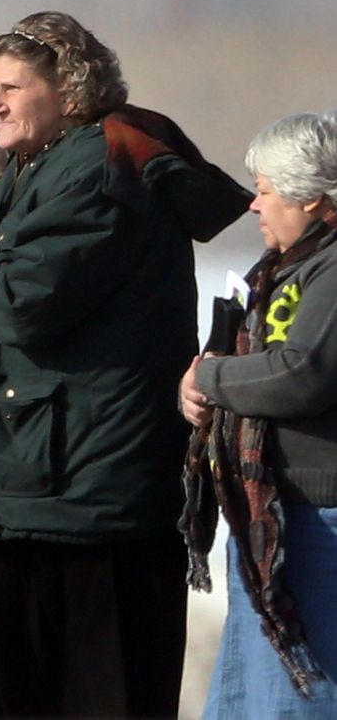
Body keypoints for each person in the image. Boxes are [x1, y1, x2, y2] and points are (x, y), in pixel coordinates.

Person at [0, 11, 250, 718]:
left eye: (12, 88)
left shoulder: (97, 169)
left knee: (95, 685)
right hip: (52, 476)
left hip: (90, 486)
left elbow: (25, 304)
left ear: (69, 90)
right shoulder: (51, 161)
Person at [179, 112, 337, 718]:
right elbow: (232, 362)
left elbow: (303, 372)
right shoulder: (277, 271)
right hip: (269, 521)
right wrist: (196, 388)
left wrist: (210, 380)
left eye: (266, 190)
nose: (254, 205)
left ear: (311, 197)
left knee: (305, 696)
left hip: (319, 526)